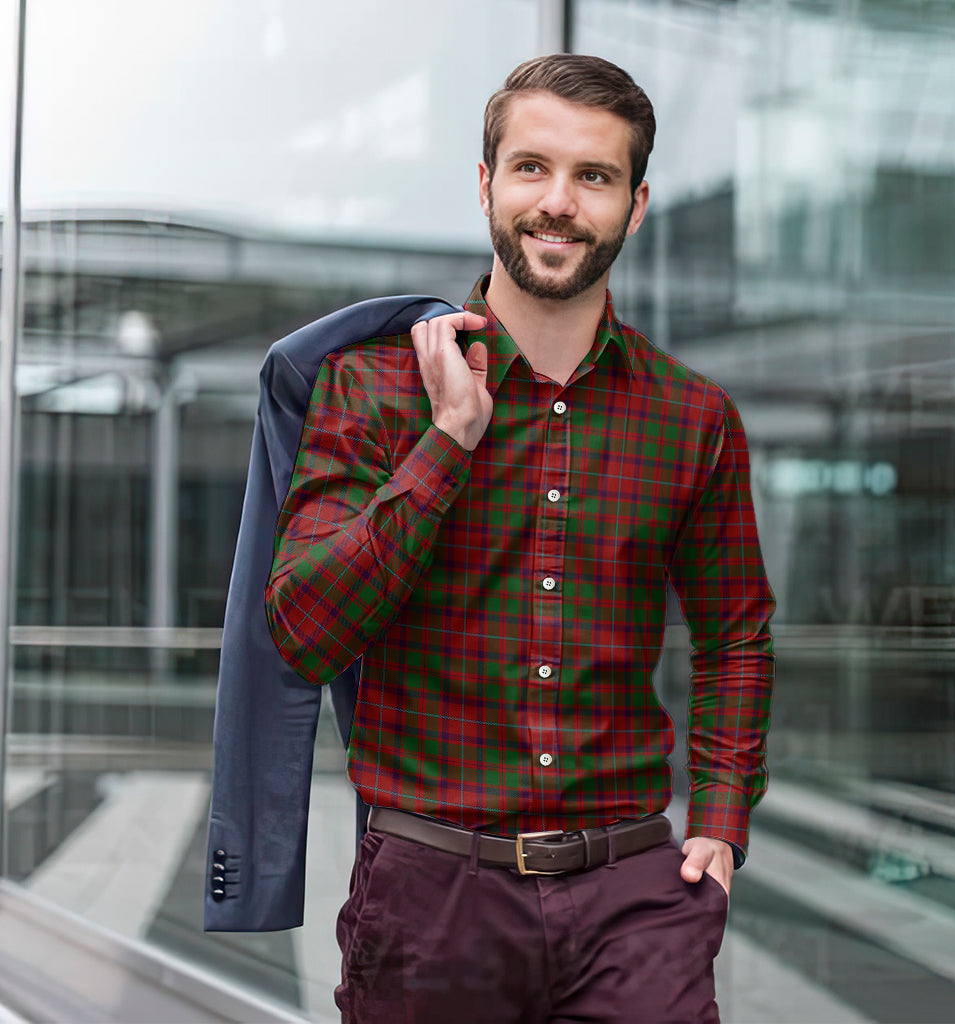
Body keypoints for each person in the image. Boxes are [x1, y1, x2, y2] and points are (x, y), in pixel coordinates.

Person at [266, 53, 775, 1024]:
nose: (559, 202)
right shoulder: (372, 390)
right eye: (532, 167)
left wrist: (717, 820)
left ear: (635, 204)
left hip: (634, 896)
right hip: (431, 898)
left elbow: (735, 630)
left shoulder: (692, 417)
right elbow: (304, 631)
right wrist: (449, 440)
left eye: (595, 176)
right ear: (486, 183)